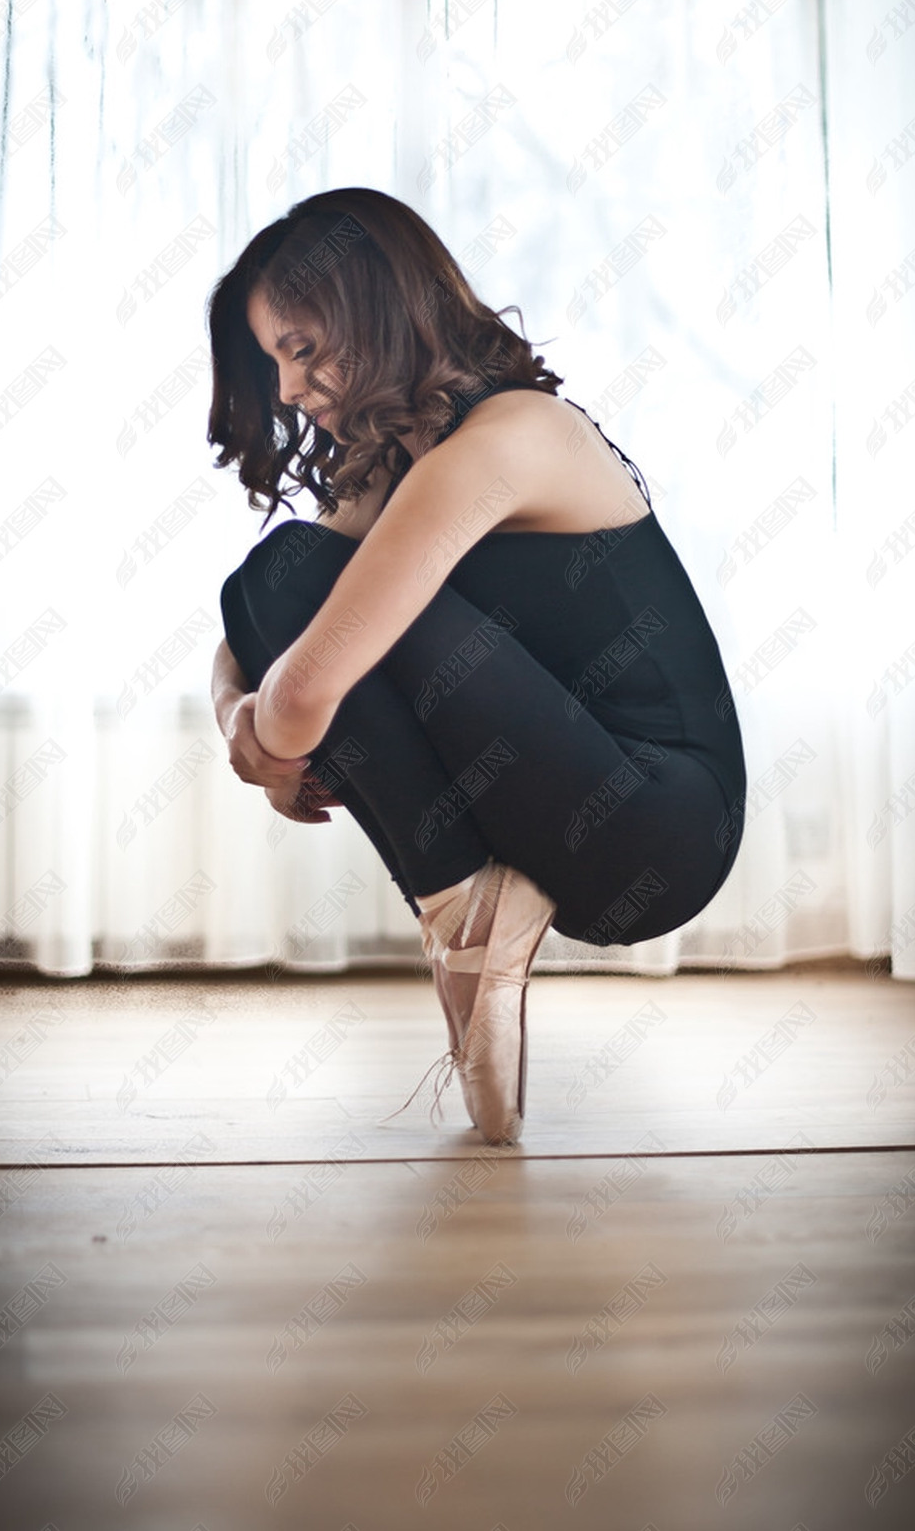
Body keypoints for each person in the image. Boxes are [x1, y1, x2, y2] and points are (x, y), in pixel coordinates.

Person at [207, 186, 747, 1146]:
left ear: (376, 309)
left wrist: (268, 730)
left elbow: (302, 688)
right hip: (561, 807)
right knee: (284, 571)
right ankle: (467, 910)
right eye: (272, 362)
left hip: (659, 824)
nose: (286, 390)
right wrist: (239, 717)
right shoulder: (405, 463)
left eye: (299, 348)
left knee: (304, 582)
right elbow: (254, 622)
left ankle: (465, 910)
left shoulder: (512, 437)